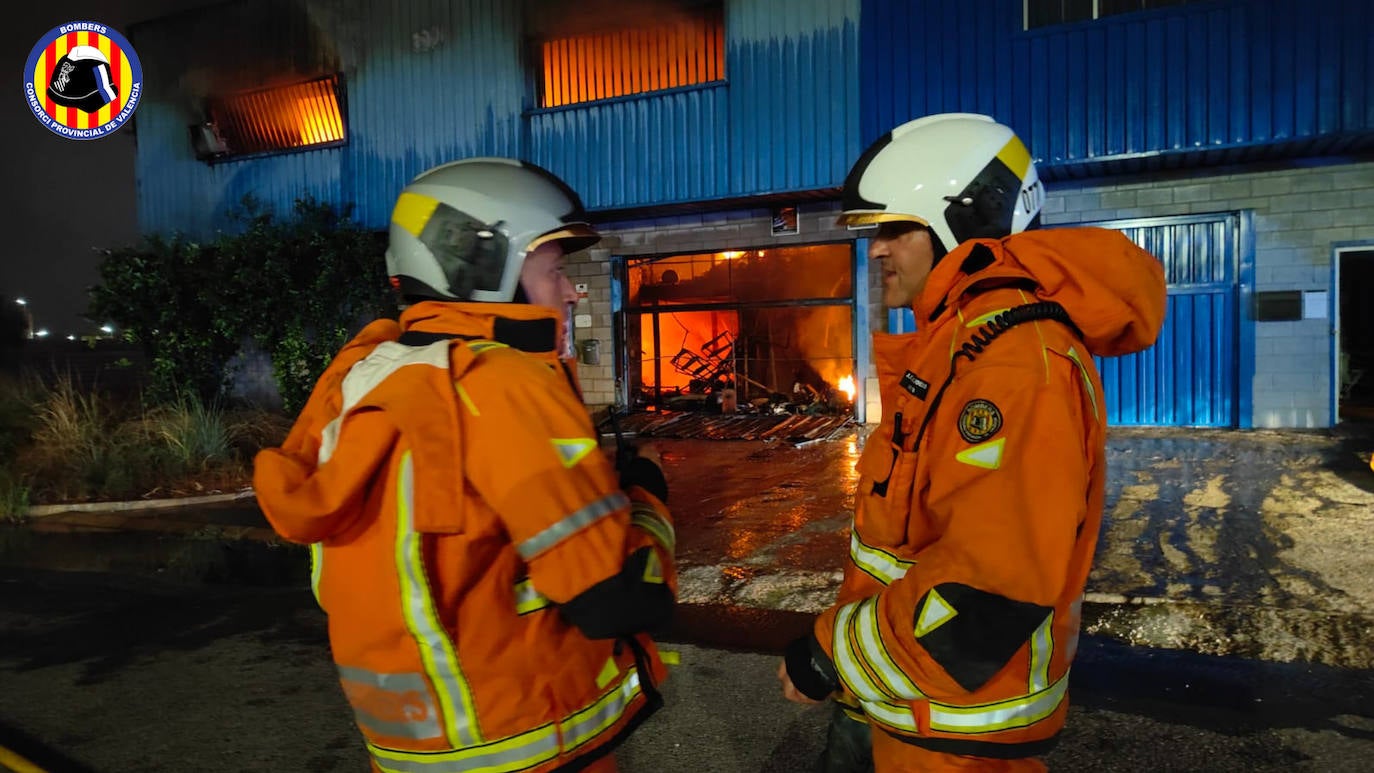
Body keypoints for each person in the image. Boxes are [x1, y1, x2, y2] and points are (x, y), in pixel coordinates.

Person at [254, 157, 676, 773]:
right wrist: (647, 493)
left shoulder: (363, 375)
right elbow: (620, 602)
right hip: (527, 739)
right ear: (482, 266)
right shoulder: (501, 382)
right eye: (555, 269)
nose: (571, 290)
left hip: (411, 750)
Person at [778, 113, 1167, 771]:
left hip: (955, 732)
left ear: (961, 222)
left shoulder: (1013, 364)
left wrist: (830, 654)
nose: (876, 251)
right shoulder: (963, 341)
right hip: (900, 698)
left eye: (896, 229)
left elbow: (991, 586)